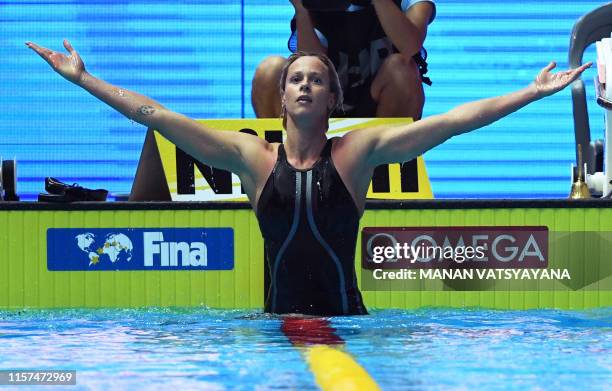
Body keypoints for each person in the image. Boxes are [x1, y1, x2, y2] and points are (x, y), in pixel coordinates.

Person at [26, 40, 590, 316]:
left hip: (354, 330)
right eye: (294, 78)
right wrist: (85, 80)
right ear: (281, 99)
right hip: (275, 329)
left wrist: (531, 93)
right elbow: (159, 116)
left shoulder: (357, 154)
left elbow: (450, 123)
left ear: (331, 99)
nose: (302, 85)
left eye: (315, 80)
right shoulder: (253, 160)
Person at [252, 0, 436, 119]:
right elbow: (310, 63)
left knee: (401, 71)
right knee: (270, 71)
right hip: (324, 105)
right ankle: (279, 169)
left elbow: (410, 45)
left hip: (381, 105)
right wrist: (301, 8)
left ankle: (390, 167)